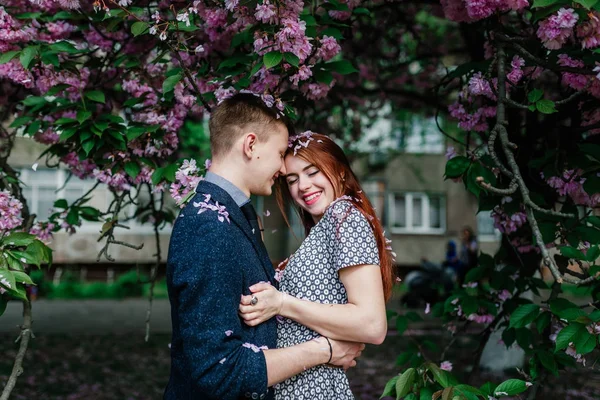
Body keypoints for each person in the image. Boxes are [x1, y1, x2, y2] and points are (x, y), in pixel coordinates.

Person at [164, 95, 364, 400]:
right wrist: (324, 350)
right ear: (251, 145)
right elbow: (220, 371)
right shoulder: (208, 227)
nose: (283, 169)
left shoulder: (231, 217)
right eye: (280, 153)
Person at [237, 132, 394, 399]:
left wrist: (282, 304)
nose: (303, 186)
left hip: (314, 388)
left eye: (313, 172)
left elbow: (372, 325)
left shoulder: (345, 217)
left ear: (341, 173)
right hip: (298, 382)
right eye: (293, 179)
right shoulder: (327, 227)